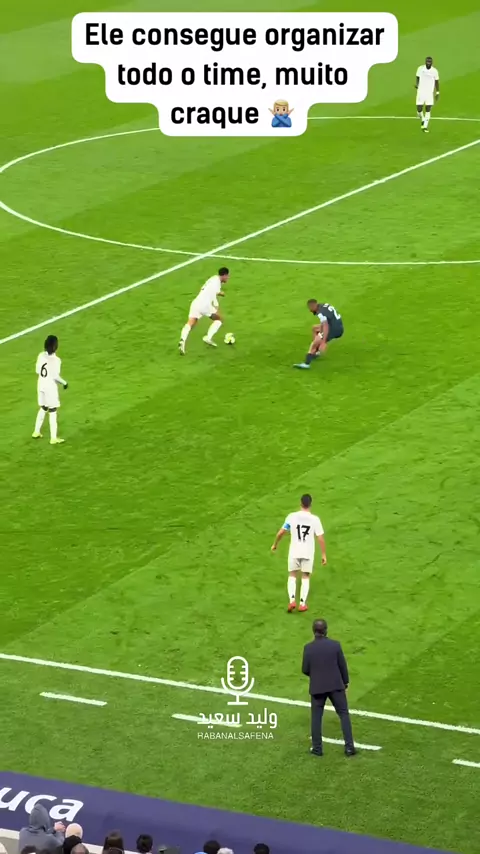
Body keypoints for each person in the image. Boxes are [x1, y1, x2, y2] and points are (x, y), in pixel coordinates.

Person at [302, 618, 355, 757]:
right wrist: (345, 683)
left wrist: (316, 675)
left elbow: (305, 669)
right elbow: (342, 665)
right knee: (343, 714)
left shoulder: (308, 648)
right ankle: (349, 748)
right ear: (326, 630)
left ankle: (317, 748)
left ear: (313, 631)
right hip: (336, 685)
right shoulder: (335, 645)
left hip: (317, 687)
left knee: (316, 717)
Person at [271, 494, 326, 612]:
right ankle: (302, 603)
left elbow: (281, 532)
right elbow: (320, 538)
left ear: (300, 503)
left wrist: (275, 544)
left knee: (292, 574)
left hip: (294, 551)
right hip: (307, 553)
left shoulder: (292, 517)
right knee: (305, 576)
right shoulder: (315, 519)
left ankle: (292, 601)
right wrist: (323, 554)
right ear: (310, 504)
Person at [179, 267, 230, 353]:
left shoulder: (213, 278)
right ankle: (208, 338)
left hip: (196, 302)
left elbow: (203, 288)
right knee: (219, 319)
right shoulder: (217, 284)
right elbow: (214, 297)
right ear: (224, 275)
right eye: (227, 276)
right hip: (205, 305)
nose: (228, 278)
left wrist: (220, 293)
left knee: (191, 322)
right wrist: (217, 308)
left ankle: (182, 340)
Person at [32, 334, 68, 444]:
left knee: (43, 407)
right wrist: (64, 383)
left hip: (40, 385)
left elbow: (37, 371)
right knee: (53, 411)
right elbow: (55, 376)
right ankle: (53, 438)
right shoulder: (56, 360)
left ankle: (36, 431)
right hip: (50, 388)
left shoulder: (40, 356)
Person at [294, 300, 344, 369]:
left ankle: (306, 363)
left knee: (314, 344)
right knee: (314, 328)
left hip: (333, 329)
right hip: (337, 326)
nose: (310, 310)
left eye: (310, 308)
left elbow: (326, 326)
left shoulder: (320, 313)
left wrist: (323, 342)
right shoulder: (323, 306)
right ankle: (316, 352)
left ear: (313, 306)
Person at [415, 56, 439, 133]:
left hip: (429, 93)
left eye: (430, 61)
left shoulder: (434, 71)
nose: (428, 63)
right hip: (421, 92)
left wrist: (437, 92)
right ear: (425, 62)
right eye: (427, 61)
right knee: (419, 109)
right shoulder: (420, 68)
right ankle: (422, 118)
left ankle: (424, 126)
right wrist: (417, 84)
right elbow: (417, 77)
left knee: (428, 109)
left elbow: (436, 81)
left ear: (432, 62)